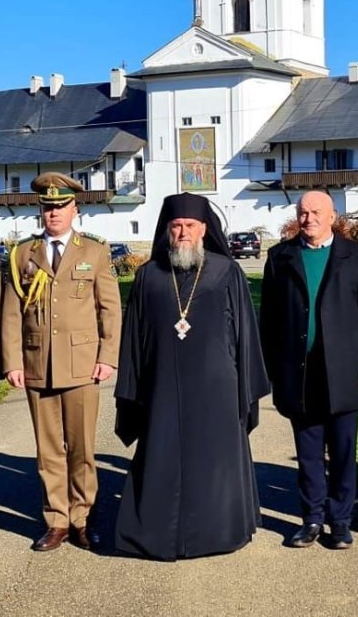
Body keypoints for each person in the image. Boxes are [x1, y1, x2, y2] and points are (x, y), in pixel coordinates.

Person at [114, 193, 271, 560]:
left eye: (190, 225)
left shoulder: (226, 272)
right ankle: (155, 535)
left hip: (217, 388)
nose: (183, 232)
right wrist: (132, 387)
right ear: (166, 230)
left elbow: (245, 333)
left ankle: (217, 532)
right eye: (176, 226)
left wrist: (245, 385)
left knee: (215, 461)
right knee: (160, 456)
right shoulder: (148, 276)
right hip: (161, 387)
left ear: (204, 230)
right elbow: (133, 337)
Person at [0, 172, 122, 552]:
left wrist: (108, 357)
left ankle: (83, 517)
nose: (53, 213)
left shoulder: (95, 252)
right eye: (48, 207)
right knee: (48, 449)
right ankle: (56, 520)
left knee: (81, 448)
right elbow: (11, 314)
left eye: (60, 206)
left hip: (83, 365)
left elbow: (110, 309)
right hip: (38, 364)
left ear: (74, 209)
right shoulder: (23, 254)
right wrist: (12, 361)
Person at [260, 189, 358, 550]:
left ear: (332, 217)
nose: (309, 218)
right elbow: (268, 320)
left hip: (344, 373)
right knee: (309, 453)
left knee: (343, 453)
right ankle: (312, 518)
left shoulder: (355, 255)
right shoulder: (280, 257)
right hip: (299, 373)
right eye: (303, 212)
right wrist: (270, 370)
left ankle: (340, 521)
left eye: (316, 212)